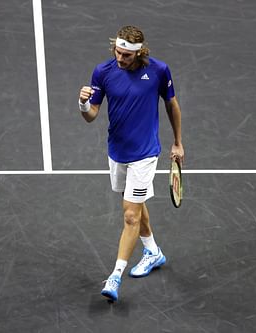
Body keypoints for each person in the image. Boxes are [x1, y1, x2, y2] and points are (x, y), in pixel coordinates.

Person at [78, 25, 184, 302]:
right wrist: (82, 104)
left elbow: (172, 105)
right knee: (133, 204)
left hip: (146, 153)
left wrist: (177, 142)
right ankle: (153, 252)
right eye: (118, 52)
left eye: (126, 55)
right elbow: (92, 116)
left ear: (139, 53)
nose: (120, 59)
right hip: (117, 152)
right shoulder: (103, 72)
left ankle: (115, 276)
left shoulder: (159, 71)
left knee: (130, 215)